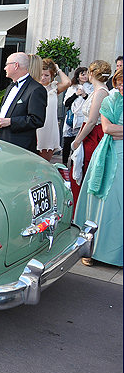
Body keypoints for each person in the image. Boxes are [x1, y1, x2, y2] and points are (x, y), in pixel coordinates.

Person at [75, 67, 122, 267]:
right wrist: (114, 131)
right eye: (119, 82)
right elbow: (107, 129)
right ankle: (93, 249)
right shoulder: (110, 100)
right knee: (106, 201)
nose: (121, 85)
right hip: (110, 155)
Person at [70, 60, 111, 211]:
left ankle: (83, 210)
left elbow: (93, 120)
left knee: (86, 169)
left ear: (92, 73)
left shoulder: (101, 92)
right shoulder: (96, 90)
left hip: (93, 135)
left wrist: (77, 141)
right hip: (88, 131)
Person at [0, 52, 47, 153]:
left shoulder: (36, 89)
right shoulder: (10, 87)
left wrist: (10, 122)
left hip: (20, 147)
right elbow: (9, 112)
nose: (5, 68)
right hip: (3, 142)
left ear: (16, 65)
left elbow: (37, 120)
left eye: (7, 64)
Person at [36, 58, 71, 161]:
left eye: (46, 75)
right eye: (41, 75)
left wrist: (58, 69)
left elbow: (67, 82)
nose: (43, 78)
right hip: (36, 127)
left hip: (49, 128)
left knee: (45, 163)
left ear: (51, 76)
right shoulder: (33, 87)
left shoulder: (54, 88)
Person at [62, 67, 91, 164]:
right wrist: (76, 94)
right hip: (72, 117)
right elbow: (66, 103)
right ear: (78, 76)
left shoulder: (91, 88)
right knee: (67, 142)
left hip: (83, 118)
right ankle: (65, 163)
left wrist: (84, 95)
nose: (85, 76)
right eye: (82, 74)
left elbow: (91, 103)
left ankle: (75, 165)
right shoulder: (72, 88)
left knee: (78, 143)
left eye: (86, 74)